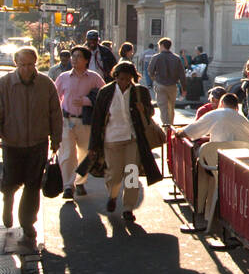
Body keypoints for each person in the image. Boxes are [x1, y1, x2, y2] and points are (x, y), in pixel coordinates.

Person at [0, 48, 63, 251]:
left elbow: (55, 113)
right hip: (12, 142)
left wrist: (56, 138)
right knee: (10, 181)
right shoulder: (5, 84)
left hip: (38, 142)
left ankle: (28, 224)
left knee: (32, 185)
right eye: (23, 64)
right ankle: (8, 200)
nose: (27, 69)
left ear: (35, 63)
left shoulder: (46, 84)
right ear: (16, 63)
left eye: (31, 64)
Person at [87, 61, 162, 224]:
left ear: (133, 78)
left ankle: (128, 207)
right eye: (121, 79)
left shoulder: (140, 91)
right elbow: (97, 119)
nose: (124, 82)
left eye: (128, 79)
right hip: (111, 139)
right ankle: (113, 196)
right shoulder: (106, 92)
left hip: (133, 139)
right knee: (114, 174)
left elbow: (150, 112)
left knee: (132, 173)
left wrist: (144, 110)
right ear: (115, 77)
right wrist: (93, 145)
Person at [55, 46, 105, 200]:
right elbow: (55, 98)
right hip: (66, 120)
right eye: (73, 56)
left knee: (84, 153)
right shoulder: (63, 77)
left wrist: (87, 101)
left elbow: (104, 96)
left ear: (86, 60)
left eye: (78, 57)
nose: (74, 59)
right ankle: (68, 186)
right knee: (67, 153)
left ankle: (80, 181)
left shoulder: (94, 77)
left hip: (85, 122)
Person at [183, 92, 249, 145]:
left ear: (221, 103)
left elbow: (191, 131)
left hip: (218, 157)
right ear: (236, 106)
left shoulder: (217, 113)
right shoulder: (245, 121)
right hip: (241, 158)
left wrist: (178, 132)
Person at [147, 37, 186, 126]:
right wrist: (184, 88)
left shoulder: (156, 57)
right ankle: (170, 125)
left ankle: (166, 126)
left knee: (163, 108)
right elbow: (182, 75)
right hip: (172, 85)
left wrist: (154, 80)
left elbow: (150, 71)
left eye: (159, 45)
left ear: (162, 45)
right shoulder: (176, 58)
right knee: (171, 107)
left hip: (160, 84)